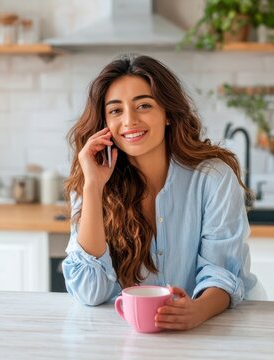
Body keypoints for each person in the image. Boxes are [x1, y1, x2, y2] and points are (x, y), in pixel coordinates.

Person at [63, 54, 263, 331]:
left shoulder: (212, 178)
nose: (129, 121)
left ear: (168, 113)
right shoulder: (92, 180)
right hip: (117, 336)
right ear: (104, 124)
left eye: (143, 105)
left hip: (207, 331)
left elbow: (223, 272)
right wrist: (93, 187)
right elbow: (89, 292)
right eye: (115, 111)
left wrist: (197, 311)